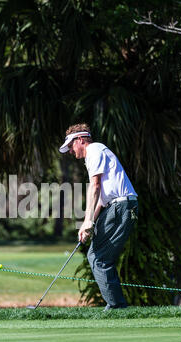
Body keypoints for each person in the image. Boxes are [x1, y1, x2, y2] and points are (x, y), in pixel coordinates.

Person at [59, 123, 138, 310]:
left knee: (98, 257)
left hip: (121, 206)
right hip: (116, 206)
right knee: (98, 257)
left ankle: (116, 307)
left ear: (81, 140)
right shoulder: (95, 155)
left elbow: (93, 187)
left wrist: (87, 221)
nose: (70, 151)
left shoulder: (94, 150)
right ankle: (116, 305)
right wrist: (89, 224)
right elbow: (101, 200)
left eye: (71, 146)